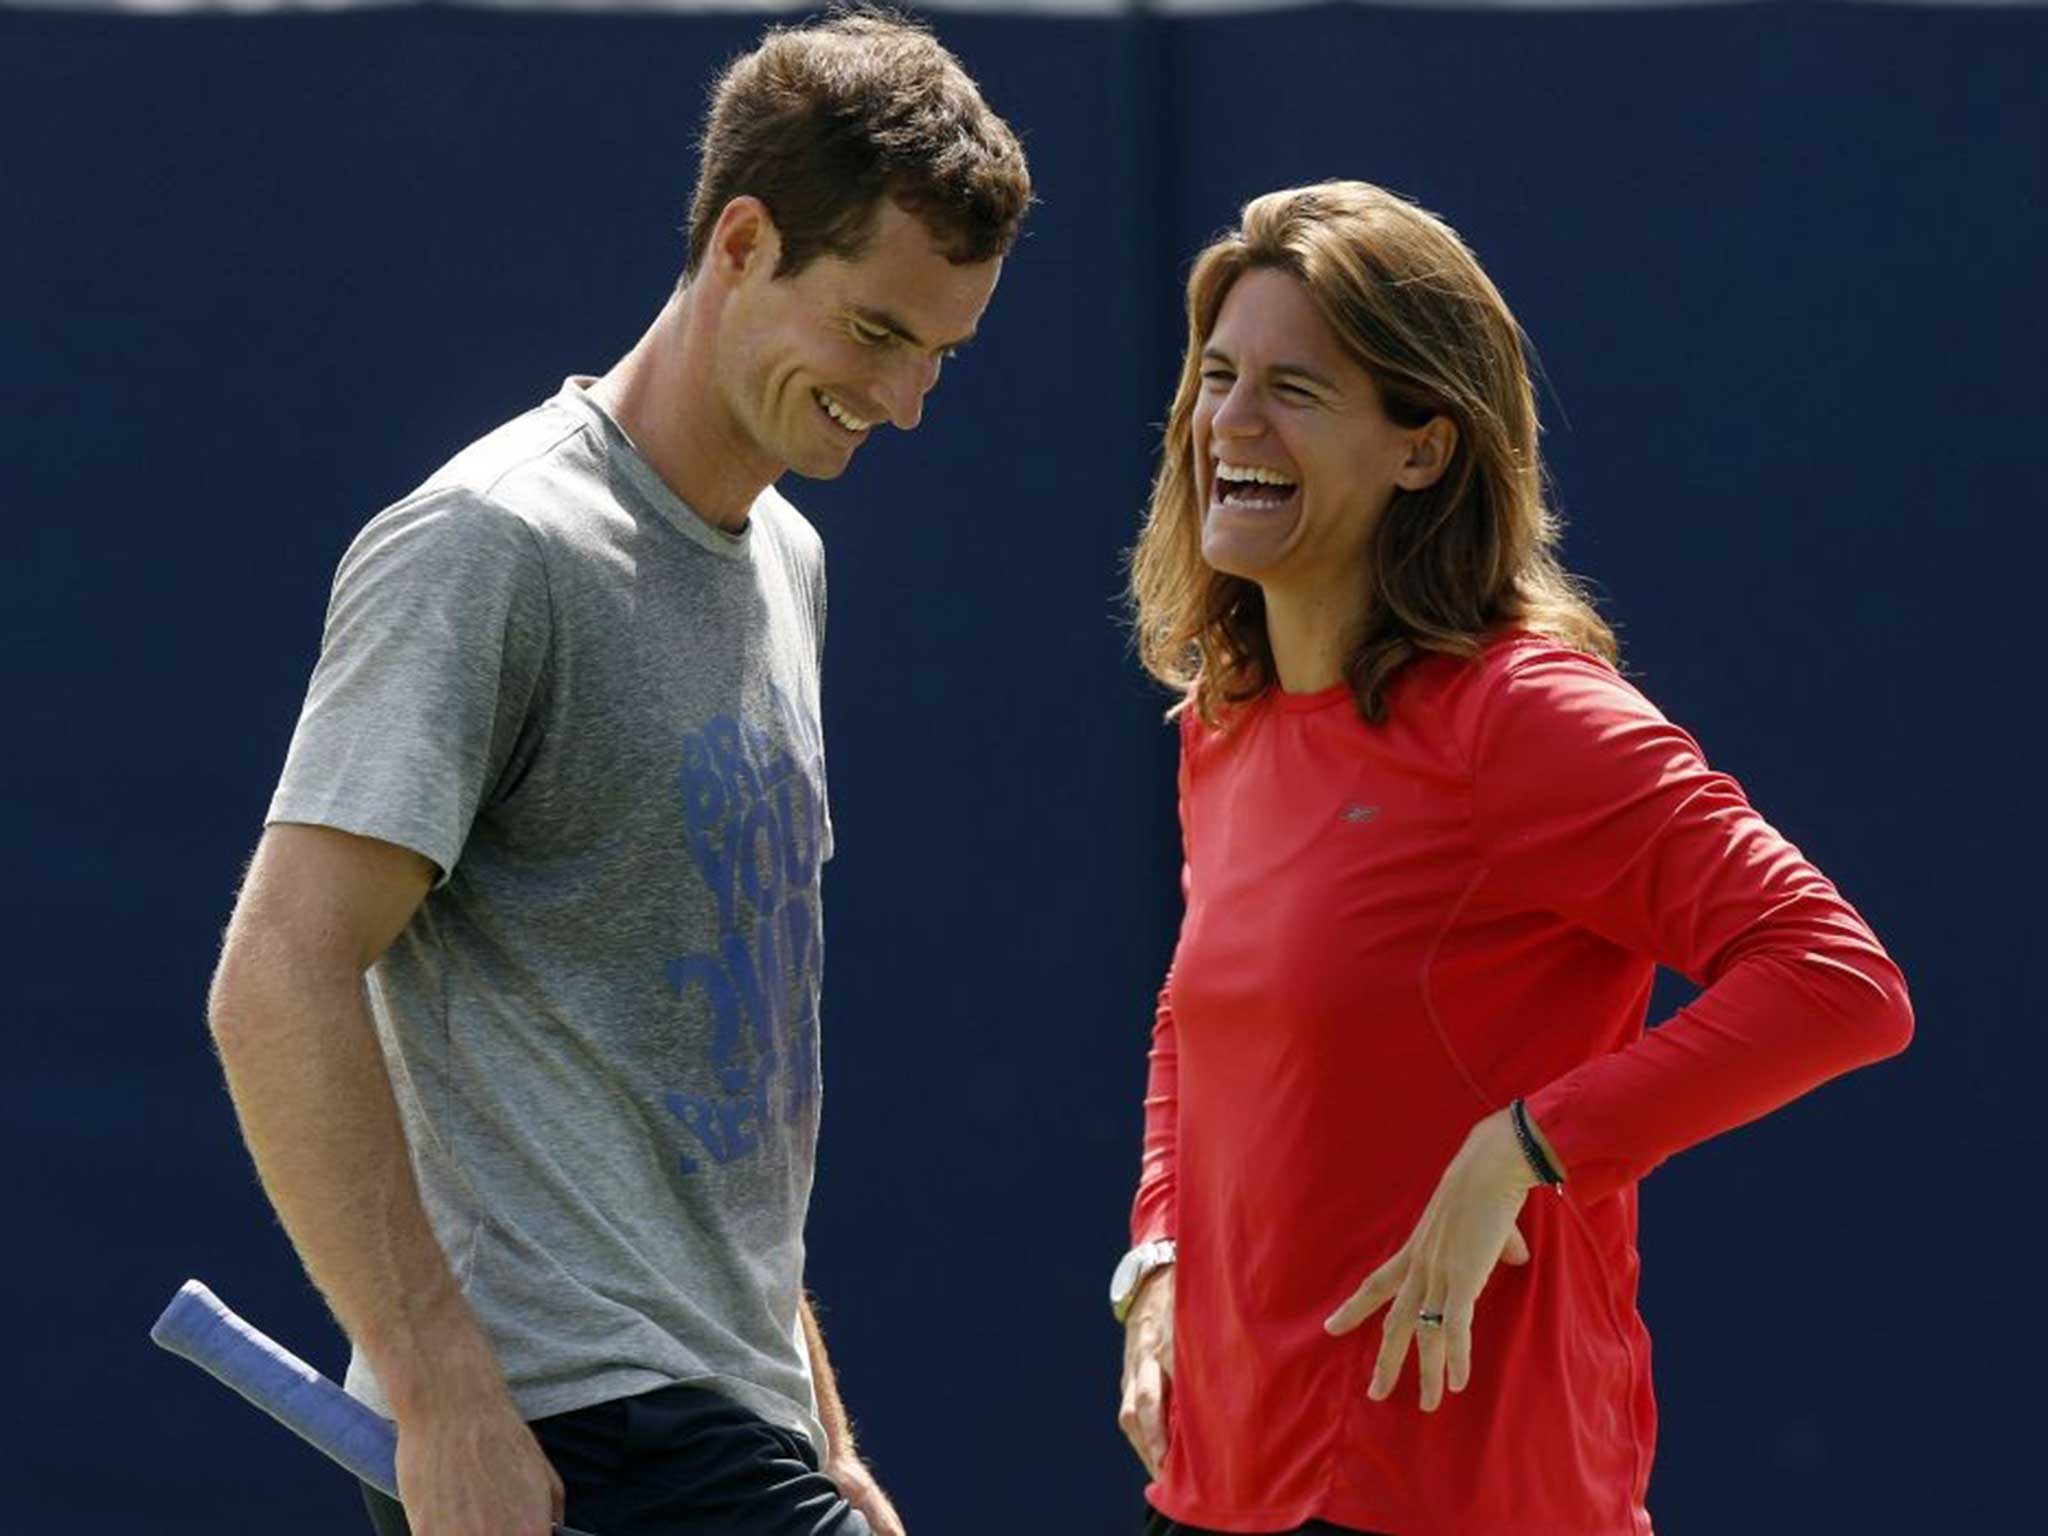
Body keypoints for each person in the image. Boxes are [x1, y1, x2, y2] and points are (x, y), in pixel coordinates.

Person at [203, 13, 1030, 1536]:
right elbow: (277, 974)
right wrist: (444, 1392)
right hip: (570, 1431)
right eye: (874, 333)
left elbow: (721, 1069)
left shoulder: (790, 559)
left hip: (726, 1426)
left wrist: (820, 1427)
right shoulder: (488, 544)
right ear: (741, 240)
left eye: (941, 357)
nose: (906, 401)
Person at [1111, 181, 1912, 1536]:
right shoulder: (1224, 724)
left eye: (1294, 389)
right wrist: (1159, 1258)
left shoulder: (1523, 716)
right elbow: (1199, 1020)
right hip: (1216, 1491)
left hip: (1475, 1495)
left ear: (1423, 449)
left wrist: (1529, 1148)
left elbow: (1840, 979)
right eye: (1219, 378)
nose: (1229, 424)